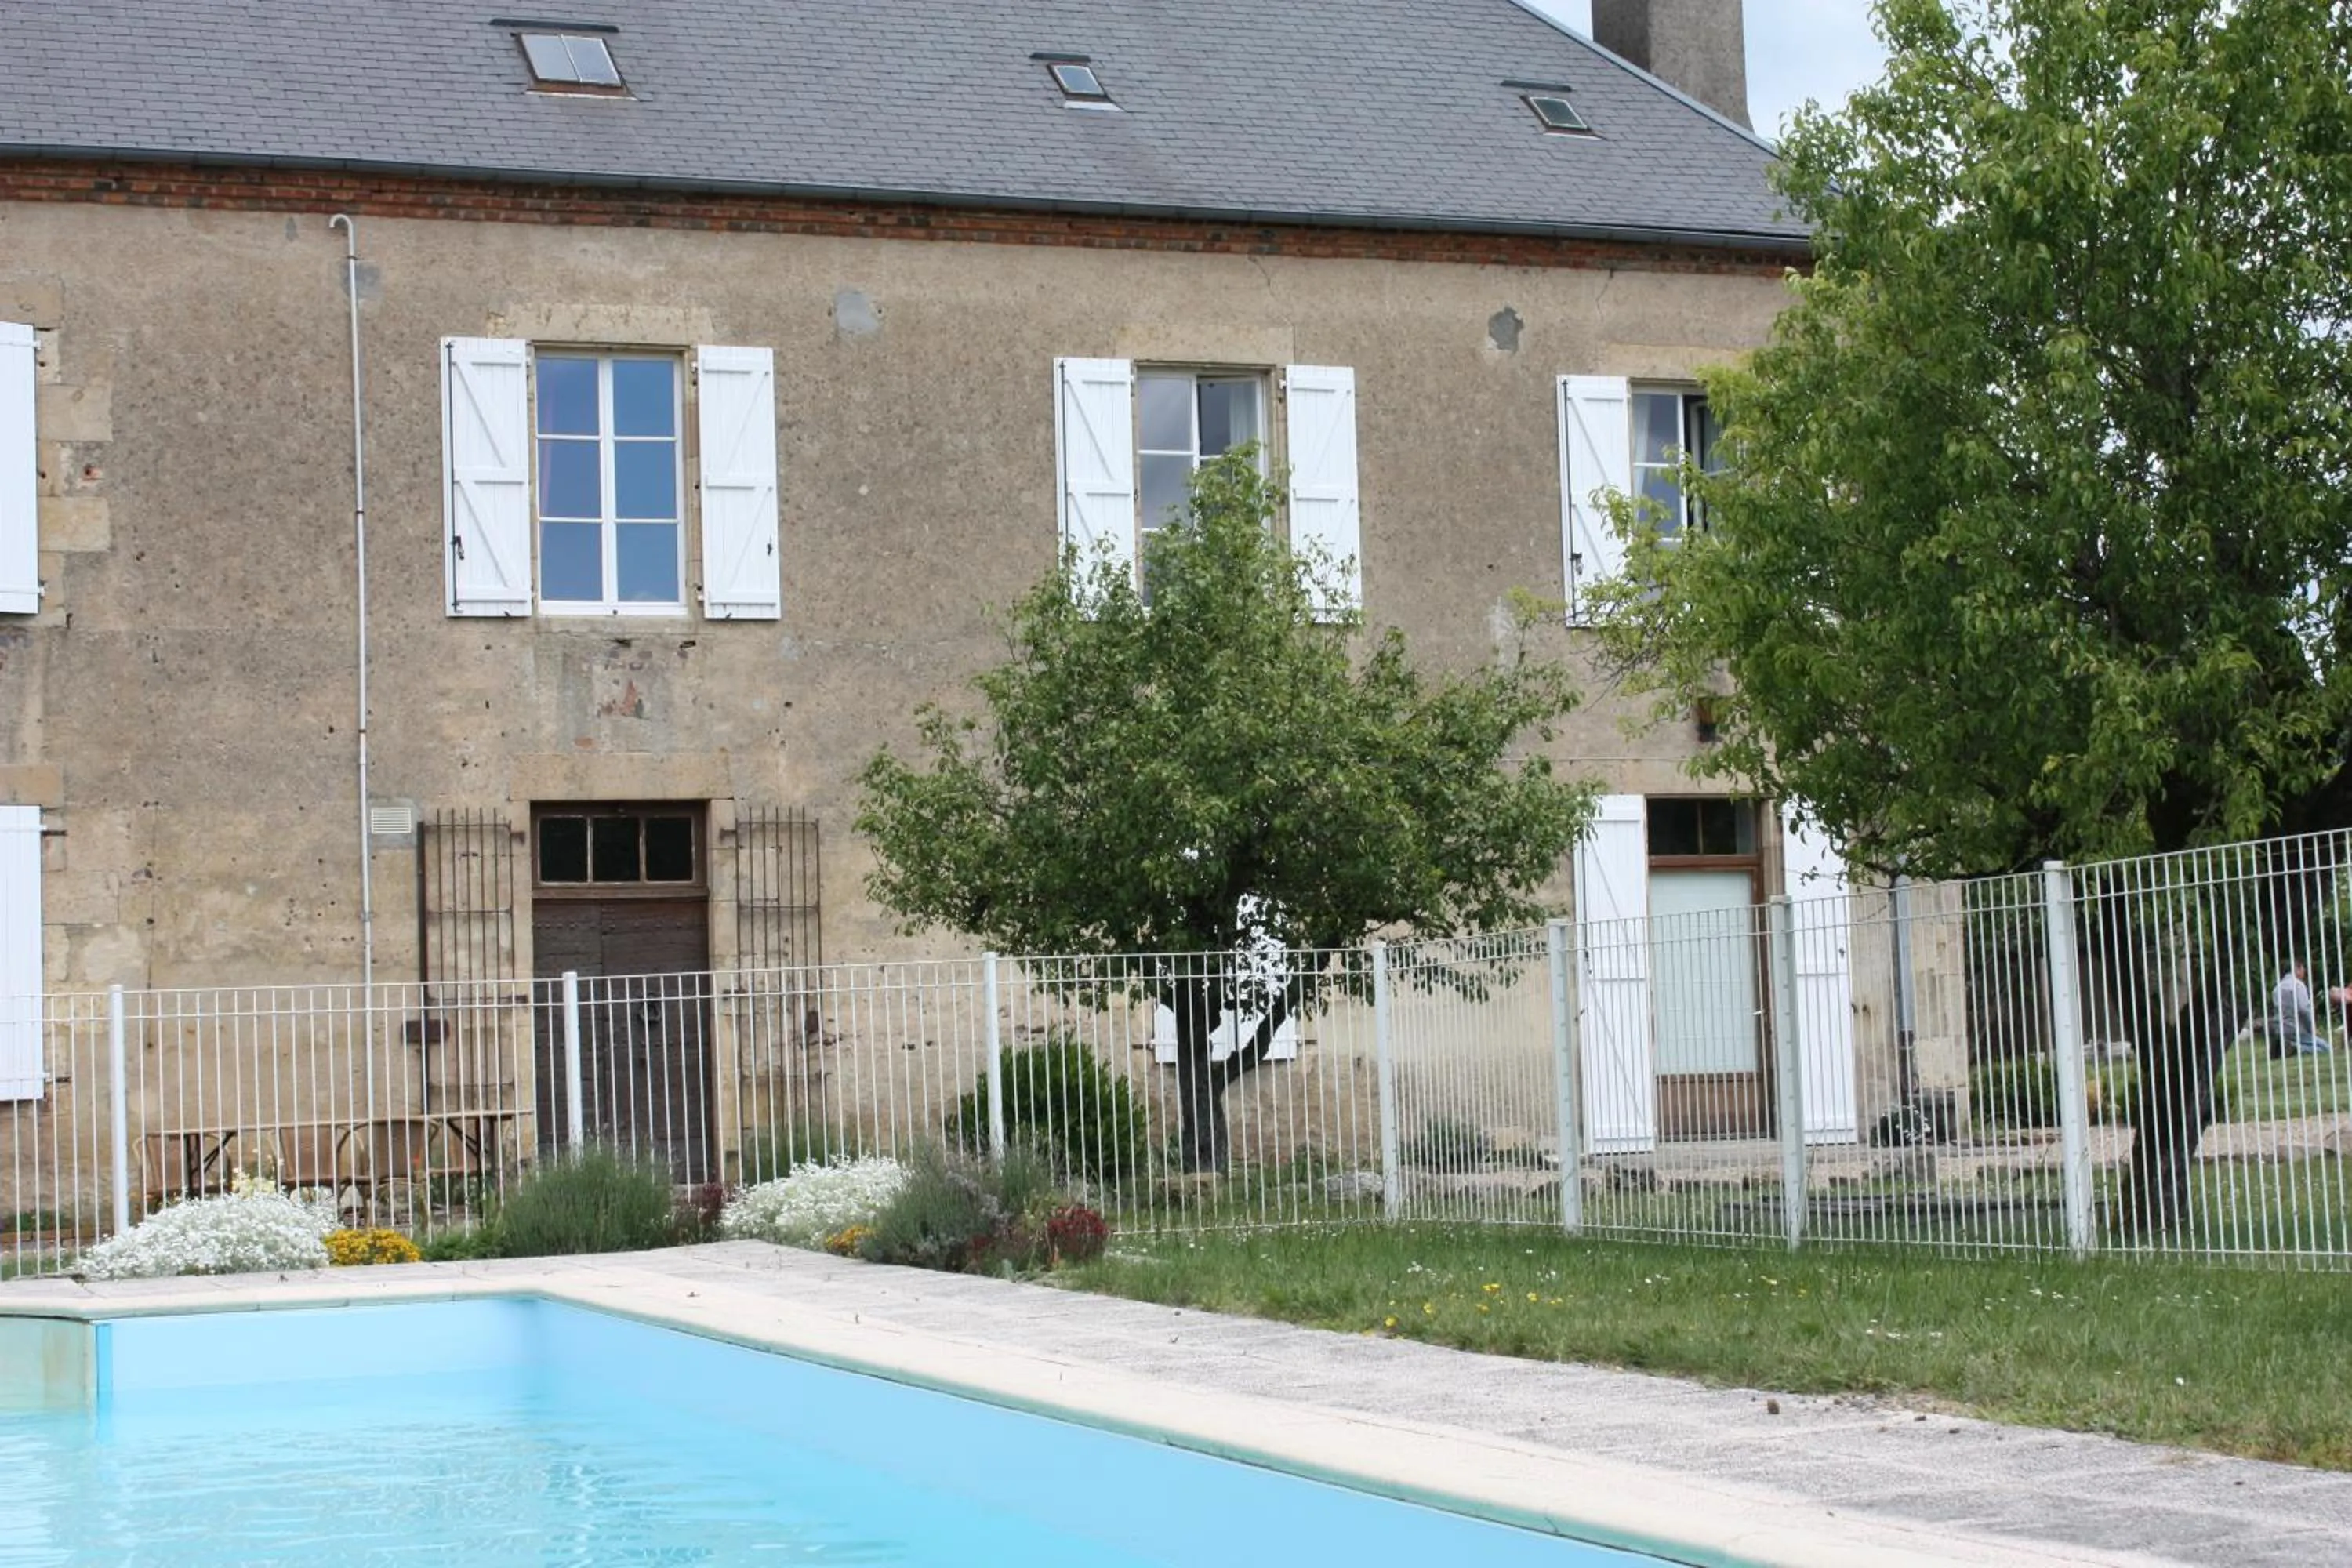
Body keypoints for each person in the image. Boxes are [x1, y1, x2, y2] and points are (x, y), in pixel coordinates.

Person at [2268, 960, 2330, 1058]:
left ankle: (2284, 1047)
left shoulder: (2276, 989)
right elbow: (2304, 1009)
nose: (2304, 971)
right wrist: (2312, 1028)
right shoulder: (2298, 985)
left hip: (2281, 1029)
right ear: (2297, 969)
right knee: (2326, 1048)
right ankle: (2297, 1048)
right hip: (2297, 1029)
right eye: (2302, 968)